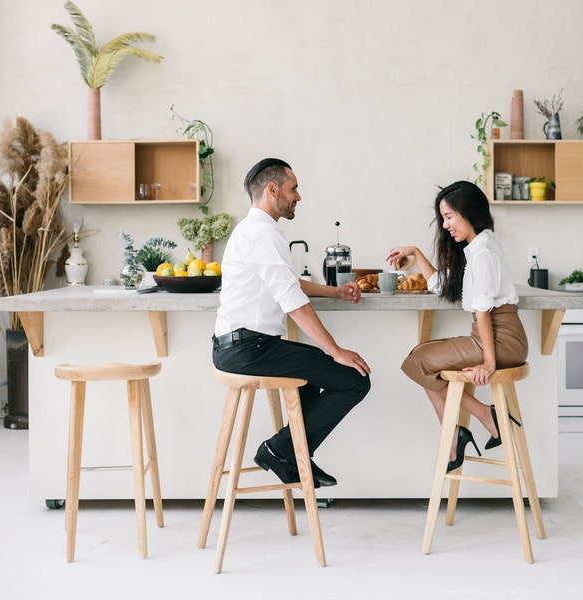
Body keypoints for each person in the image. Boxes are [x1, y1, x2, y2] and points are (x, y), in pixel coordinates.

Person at [213, 158, 371, 488]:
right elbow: (293, 304)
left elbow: (288, 283)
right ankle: (281, 450)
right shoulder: (263, 235)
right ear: (273, 190)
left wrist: (335, 292)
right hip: (249, 349)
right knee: (354, 379)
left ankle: (291, 454)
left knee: (309, 378)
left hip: (241, 346)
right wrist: (336, 350)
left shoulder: (254, 230)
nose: (298, 196)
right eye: (293, 188)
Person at [385, 180, 528, 472]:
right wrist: (415, 252)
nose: (446, 225)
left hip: (502, 340)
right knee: (420, 356)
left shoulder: (484, 251)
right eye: (443, 218)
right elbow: (440, 284)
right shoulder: (477, 247)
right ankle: (466, 428)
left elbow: (483, 312)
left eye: (449, 216)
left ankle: (477, 422)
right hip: (492, 336)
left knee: (419, 362)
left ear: (468, 211)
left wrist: (488, 364)